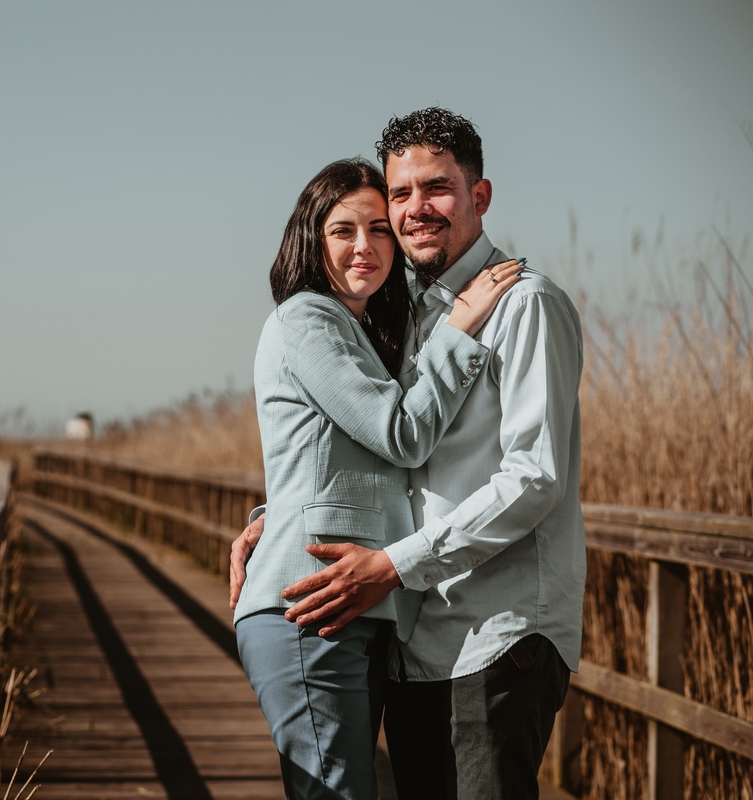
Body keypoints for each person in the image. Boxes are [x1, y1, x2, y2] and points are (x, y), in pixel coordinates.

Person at [231, 109, 586, 800]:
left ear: (478, 197)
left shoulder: (525, 305)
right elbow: (375, 446)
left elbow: (535, 476)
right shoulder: (408, 318)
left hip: (494, 633)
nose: (416, 209)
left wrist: (394, 564)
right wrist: (276, 516)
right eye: (401, 195)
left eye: (437, 188)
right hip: (413, 641)